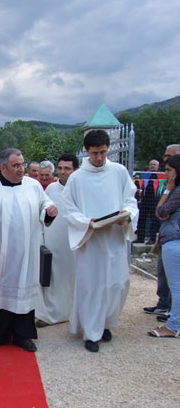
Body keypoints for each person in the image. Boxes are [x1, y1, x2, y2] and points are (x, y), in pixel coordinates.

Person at [0, 148, 57, 352]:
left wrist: (50, 211)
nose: (21, 169)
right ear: (3, 167)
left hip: (25, 253)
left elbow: (45, 204)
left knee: (24, 290)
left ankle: (22, 334)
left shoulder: (33, 185)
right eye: (16, 165)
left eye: (22, 164)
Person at [63, 129, 138, 352]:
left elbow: (130, 200)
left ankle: (105, 323)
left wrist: (126, 215)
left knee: (117, 283)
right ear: (86, 151)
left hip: (114, 238)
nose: (99, 158)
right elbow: (69, 209)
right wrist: (87, 222)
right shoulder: (77, 178)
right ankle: (91, 333)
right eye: (95, 153)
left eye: (103, 152)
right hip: (91, 240)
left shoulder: (119, 172)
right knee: (92, 286)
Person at [36, 154, 79, 326]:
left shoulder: (80, 188)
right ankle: (53, 313)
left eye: (67, 168)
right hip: (54, 238)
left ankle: (74, 311)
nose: (62, 172)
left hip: (76, 239)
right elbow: (43, 212)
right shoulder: (51, 189)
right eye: (60, 168)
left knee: (74, 276)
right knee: (55, 276)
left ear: (75, 170)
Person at [143, 144, 180, 319]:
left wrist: (168, 191)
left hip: (174, 236)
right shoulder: (170, 185)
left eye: (169, 158)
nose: (165, 160)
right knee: (163, 272)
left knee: (174, 280)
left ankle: (173, 313)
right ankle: (164, 304)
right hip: (166, 235)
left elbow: (161, 211)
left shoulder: (176, 189)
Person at [135, 158, 162, 244]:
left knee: (154, 220)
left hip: (155, 200)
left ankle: (152, 238)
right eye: (151, 164)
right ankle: (140, 238)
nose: (152, 166)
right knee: (141, 219)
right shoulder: (144, 175)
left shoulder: (160, 176)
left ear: (158, 166)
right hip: (144, 199)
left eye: (154, 165)